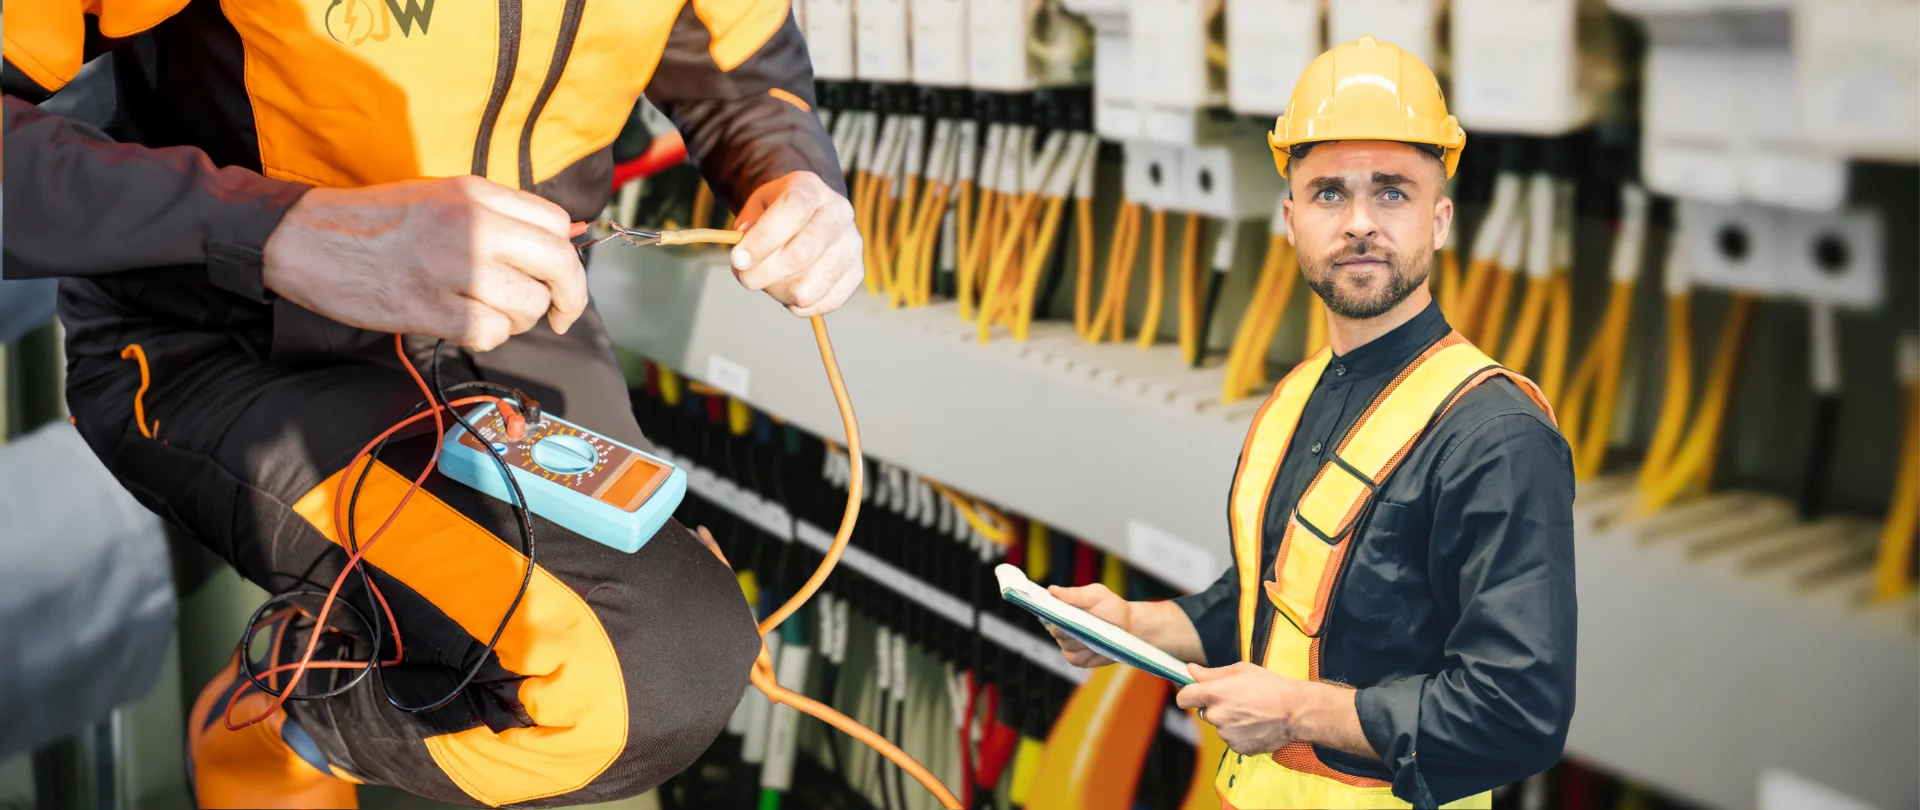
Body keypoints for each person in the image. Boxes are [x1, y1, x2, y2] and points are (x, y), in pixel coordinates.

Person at [3, 2, 860, 807]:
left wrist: (794, 176)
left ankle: (329, 673)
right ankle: (276, 720)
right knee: (633, 677)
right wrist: (281, 231)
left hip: (521, 330)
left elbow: (745, 77)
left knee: (670, 630)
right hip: (227, 336)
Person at [1045, 36, 1577, 809]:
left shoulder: (1494, 435)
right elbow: (1271, 609)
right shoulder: (1297, 395)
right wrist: (1134, 624)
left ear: (1440, 219)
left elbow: (1516, 714)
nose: (1359, 222)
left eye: (1392, 192)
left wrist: (1296, 709)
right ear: (1291, 220)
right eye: (1330, 193)